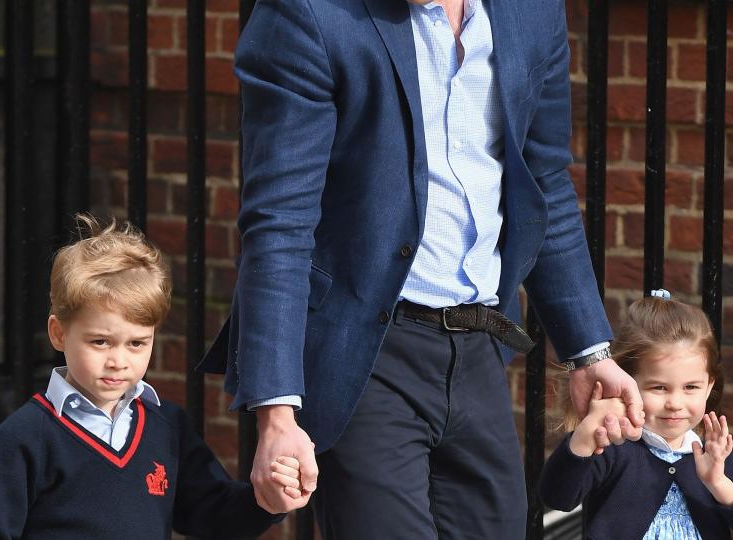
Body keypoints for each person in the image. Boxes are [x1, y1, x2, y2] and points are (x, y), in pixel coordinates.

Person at [199, 0, 644, 536]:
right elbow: (279, 221)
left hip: (480, 345)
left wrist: (588, 351)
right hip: (363, 350)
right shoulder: (309, 14)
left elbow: (543, 184)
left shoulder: (532, 11)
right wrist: (276, 413)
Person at [0, 215, 303, 539]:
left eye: (137, 343)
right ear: (58, 334)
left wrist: (267, 501)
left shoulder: (168, 429)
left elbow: (214, 513)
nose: (118, 361)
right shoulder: (22, 440)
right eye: (100, 342)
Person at [540, 291, 733, 539]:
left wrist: (719, 484)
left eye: (691, 387)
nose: (675, 403)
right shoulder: (614, 448)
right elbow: (557, 497)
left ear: (709, 386)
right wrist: (585, 436)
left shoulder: (712, 456)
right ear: (627, 382)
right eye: (659, 387)